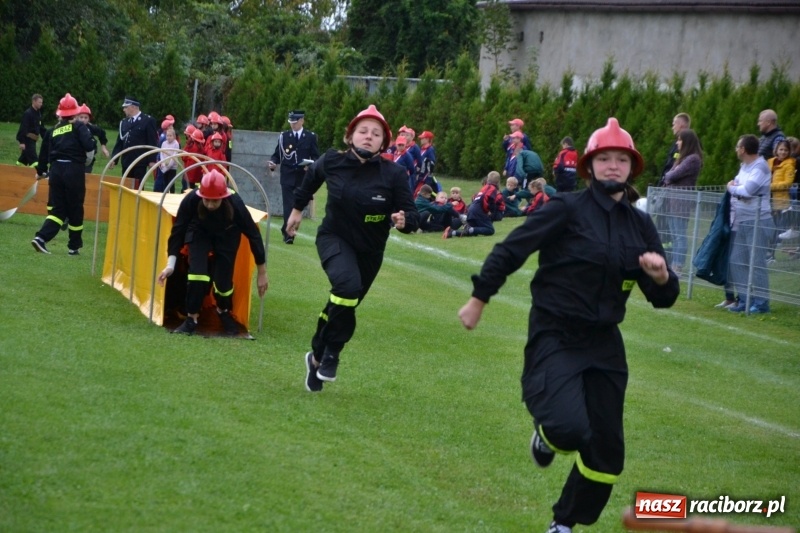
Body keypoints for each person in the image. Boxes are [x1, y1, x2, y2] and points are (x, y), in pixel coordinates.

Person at [458, 118, 679, 533]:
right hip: (555, 333)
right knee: (568, 428)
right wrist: (479, 298)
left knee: (607, 452)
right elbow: (512, 249)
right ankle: (546, 437)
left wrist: (661, 277)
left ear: (632, 166)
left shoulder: (640, 226)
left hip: (605, 345)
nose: (613, 166)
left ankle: (564, 524)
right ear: (589, 165)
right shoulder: (565, 208)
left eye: (621, 159)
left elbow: (664, 298)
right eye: (604, 158)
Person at [285, 104, 419, 392]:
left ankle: (317, 357)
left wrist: (403, 221)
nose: (368, 137)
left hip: (370, 251)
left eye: (376, 133)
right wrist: (297, 210)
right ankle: (332, 353)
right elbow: (311, 179)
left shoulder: (394, 174)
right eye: (362, 131)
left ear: (384, 141)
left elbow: (412, 216)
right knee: (346, 287)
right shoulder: (332, 160)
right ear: (350, 136)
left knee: (343, 302)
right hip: (334, 238)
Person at [158, 170, 268, 335]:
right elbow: (178, 231)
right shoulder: (191, 200)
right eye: (206, 200)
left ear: (223, 198)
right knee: (197, 274)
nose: (209, 205)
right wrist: (170, 264)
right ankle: (192, 317)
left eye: (214, 202)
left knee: (223, 282)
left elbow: (253, 235)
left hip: (228, 234)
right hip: (199, 232)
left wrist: (262, 271)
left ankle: (223, 310)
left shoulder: (235, 204)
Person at [31, 93, 97, 256]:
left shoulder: (52, 131)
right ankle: (73, 246)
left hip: (56, 171)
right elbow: (89, 146)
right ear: (74, 113)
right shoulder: (79, 126)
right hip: (74, 171)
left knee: (58, 209)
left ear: (59, 113)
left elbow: (43, 154)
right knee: (75, 208)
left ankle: (41, 238)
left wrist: (40, 172)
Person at [726, 134, 774, 314]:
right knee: (736, 260)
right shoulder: (744, 166)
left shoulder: (760, 167)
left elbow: (746, 190)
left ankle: (761, 304)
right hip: (743, 220)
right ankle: (745, 300)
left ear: (743, 149)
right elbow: (741, 187)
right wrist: (736, 188)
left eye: (738, 146)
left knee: (757, 262)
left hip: (758, 220)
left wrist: (731, 188)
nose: (736, 150)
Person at [268, 110, 319, 244]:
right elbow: (277, 154)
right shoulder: (284, 136)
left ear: (302, 121)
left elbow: (316, 157)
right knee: (288, 205)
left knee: (298, 205)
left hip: (302, 177)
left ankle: (287, 228)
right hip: (287, 176)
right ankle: (288, 234)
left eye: (295, 123)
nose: (292, 125)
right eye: (291, 123)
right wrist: (273, 163)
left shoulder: (310, 137)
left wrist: (311, 165)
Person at [662, 129, 703, 273]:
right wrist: (669, 175)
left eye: (679, 140)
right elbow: (668, 174)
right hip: (672, 201)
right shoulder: (682, 158)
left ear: (686, 142)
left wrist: (669, 176)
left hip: (681, 202)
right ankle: (674, 264)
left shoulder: (693, 159)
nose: (677, 143)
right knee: (674, 235)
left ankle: (678, 266)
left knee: (680, 235)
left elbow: (672, 175)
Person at [110, 96, 159, 190]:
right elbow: (120, 141)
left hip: (140, 161)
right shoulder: (124, 122)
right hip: (126, 160)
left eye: (126, 107)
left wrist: (151, 160)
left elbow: (152, 141)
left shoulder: (147, 120)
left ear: (133, 107)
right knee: (126, 187)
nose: (124, 110)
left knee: (137, 187)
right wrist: (114, 158)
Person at [443, 171, 505, 238]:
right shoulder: (492, 188)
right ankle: (469, 229)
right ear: (498, 182)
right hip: (478, 210)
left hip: (472, 209)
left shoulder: (485, 187)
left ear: (487, 180)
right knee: (490, 230)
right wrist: (490, 211)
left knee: (473, 231)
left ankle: (452, 232)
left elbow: (478, 197)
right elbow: (489, 199)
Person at [75, 103, 110, 174]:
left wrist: (103, 147)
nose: (83, 120)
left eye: (85, 117)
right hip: (76, 157)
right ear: (77, 117)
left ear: (89, 119)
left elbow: (102, 133)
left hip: (88, 157)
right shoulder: (73, 127)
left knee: (86, 177)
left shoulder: (91, 127)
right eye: (81, 117)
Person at [16, 93, 44, 167]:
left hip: (33, 141)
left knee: (23, 160)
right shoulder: (28, 113)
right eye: (39, 102)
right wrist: (22, 142)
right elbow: (23, 128)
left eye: (41, 102)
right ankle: (39, 174)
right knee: (34, 161)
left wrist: (47, 137)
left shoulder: (38, 114)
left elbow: (41, 128)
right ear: (34, 101)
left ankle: (16, 171)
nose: (41, 104)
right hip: (27, 140)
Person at [155, 127, 181, 193]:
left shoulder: (176, 144)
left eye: (170, 136)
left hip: (172, 167)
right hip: (164, 166)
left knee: (171, 183)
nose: (168, 137)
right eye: (167, 135)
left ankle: (172, 195)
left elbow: (174, 156)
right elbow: (161, 153)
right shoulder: (164, 143)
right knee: (165, 183)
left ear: (174, 136)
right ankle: (165, 195)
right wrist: (163, 163)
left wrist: (168, 166)